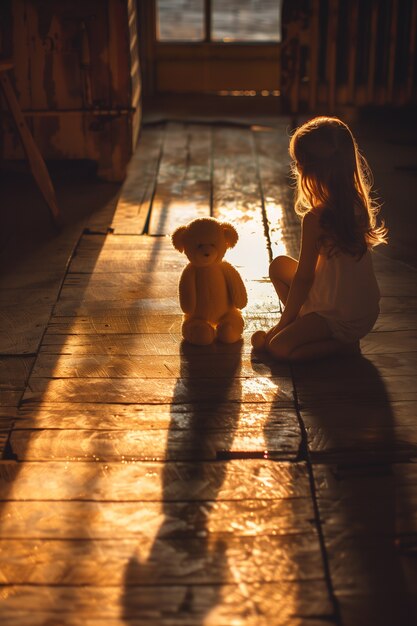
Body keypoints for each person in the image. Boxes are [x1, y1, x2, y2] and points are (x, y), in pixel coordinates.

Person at [252, 116, 388, 361]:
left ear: (307, 169)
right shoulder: (358, 204)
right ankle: (308, 327)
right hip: (365, 311)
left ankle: (340, 345)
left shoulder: (317, 218)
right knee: (279, 265)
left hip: (337, 317)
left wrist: (282, 325)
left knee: (278, 347)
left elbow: (304, 278)